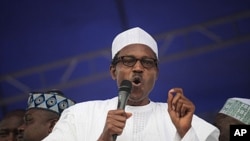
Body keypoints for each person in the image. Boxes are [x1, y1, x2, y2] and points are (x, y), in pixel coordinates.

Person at [42, 27, 219, 141]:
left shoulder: (180, 118)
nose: (138, 68)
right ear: (113, 71)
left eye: (147, 62)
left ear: (156, 74)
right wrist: (104, 137)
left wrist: (187, 132)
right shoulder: (79, 115)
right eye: (128, 61)